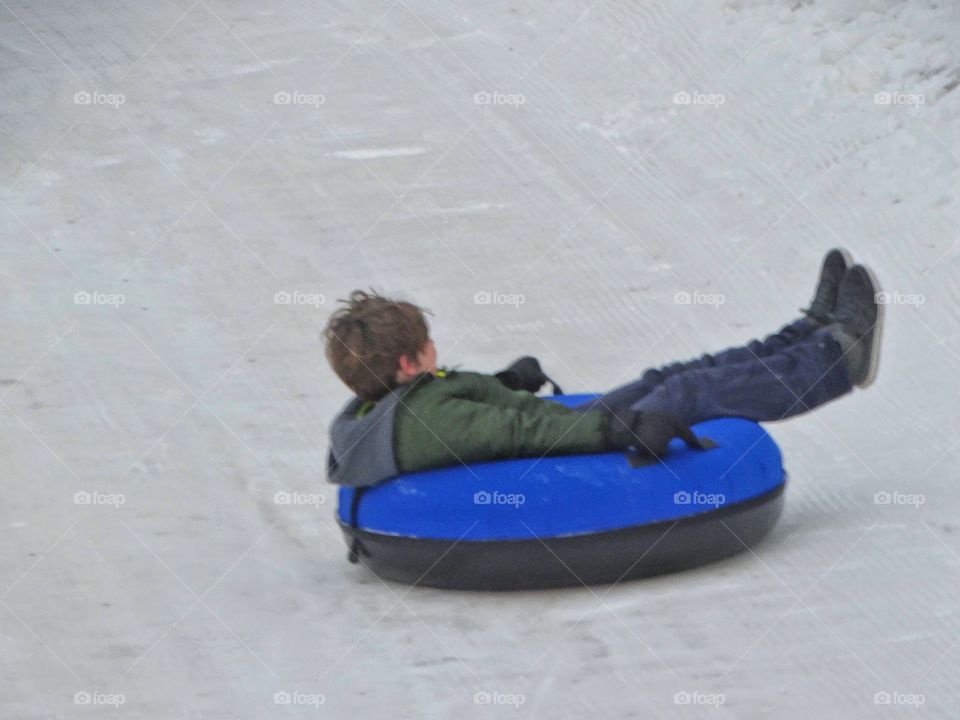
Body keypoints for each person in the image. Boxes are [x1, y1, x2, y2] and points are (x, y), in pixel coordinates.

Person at [323, 249, 883, 488]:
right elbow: (518, 433)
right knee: (686, 394)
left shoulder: (405, 402)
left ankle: (806, 336)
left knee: (664, 379)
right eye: (426, 344)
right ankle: (836, 360)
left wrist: (504, 384)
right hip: (563, 452)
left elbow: (481, 417)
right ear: (407, 364)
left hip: (558, 431)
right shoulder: (425, 420)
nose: (434, 348)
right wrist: (618, 430)